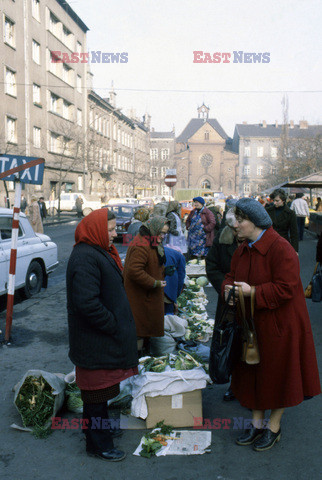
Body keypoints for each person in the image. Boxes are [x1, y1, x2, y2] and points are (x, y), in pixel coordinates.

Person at [222, 198, 320, 452]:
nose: (235, 228)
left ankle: (273, 427)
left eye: (238, 223)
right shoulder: (244, 247)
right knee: (253, 374)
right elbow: (231, 276)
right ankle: (256, 424)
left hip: (279, 327)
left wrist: (251, 291)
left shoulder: (281, 248)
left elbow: (286, 289)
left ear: (251, 222)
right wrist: (227, 289)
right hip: (252, 326)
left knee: (277, 378)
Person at [66, 209, 138, 462]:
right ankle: (98, 444)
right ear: (96, 230)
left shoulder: (97, 251)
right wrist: (114, 325)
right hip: (95, 341)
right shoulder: (86, 257)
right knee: (95, 394)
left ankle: (98, 430)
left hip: (100, 340)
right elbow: (86, 304)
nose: (114, 233)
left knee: (100, 392)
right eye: (109, 229)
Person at [206, 208, 246, 401]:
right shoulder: (222, 241)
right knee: (230, 343)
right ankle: (234, 385)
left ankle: (250, 389)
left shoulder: (254, 240)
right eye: (232, 227)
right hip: (228, 302)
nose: (236, 230)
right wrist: (226, 288)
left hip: (251, 302)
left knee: (250, 345)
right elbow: (211, 266)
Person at [123, 216, 169, 354]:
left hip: (146, 295)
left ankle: (142, 358)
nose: (163, 236)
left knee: (144, 329)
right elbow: (134, 270)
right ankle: (138, 362)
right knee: (140, 330)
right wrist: (154, 283)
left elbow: (151, 263)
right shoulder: (142, 243)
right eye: (161, 232)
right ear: (154, 228)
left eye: (165, 233)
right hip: (140, 296)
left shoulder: (150, 239)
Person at [163, 246, 186, 314]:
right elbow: (180, 279)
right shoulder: (180, 256)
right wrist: (175, 297)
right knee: (168, 318)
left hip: (152, 290)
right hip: (168, 292)